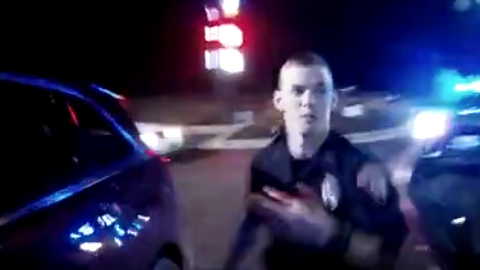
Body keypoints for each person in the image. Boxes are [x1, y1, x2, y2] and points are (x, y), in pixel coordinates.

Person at [223, 52, 408, 270]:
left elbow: (386, 258)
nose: (308, 101)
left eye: (320, 91)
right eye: (298, 91)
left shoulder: (361, 170)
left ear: (333, 100)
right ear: (279, 101)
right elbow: (252, 230)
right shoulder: (264, 164)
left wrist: (329, 233)